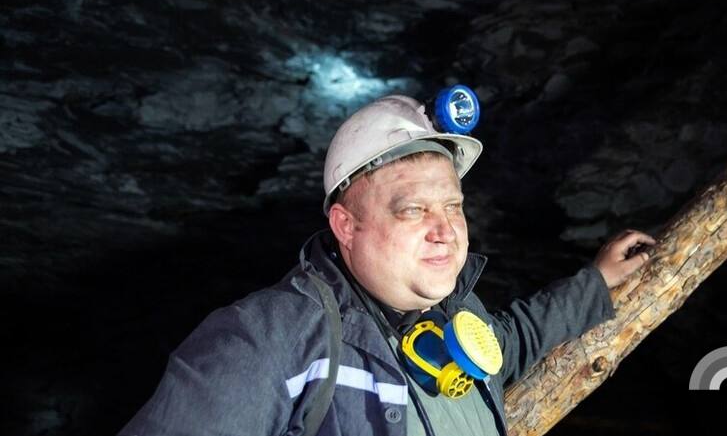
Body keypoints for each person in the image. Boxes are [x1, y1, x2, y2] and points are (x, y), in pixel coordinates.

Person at [119, 93, 655, 436]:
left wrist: (598, 280)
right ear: (346, 226)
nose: (445, 231)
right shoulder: (268, 342)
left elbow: (513, 341)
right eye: (413, 210)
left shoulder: (457, 315)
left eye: (452, 207)